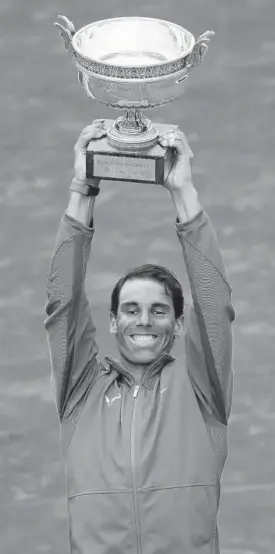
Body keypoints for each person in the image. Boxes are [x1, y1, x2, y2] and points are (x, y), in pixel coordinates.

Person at [44, 119, 235, 554]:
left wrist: (183, 192)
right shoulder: (82, 390)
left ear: (179, 325)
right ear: (113, 322)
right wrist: (82, 189)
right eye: (131, 310)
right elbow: (62, 305)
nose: (144, 320)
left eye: (159, 310)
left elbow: (214, 305)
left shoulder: (202, 390)